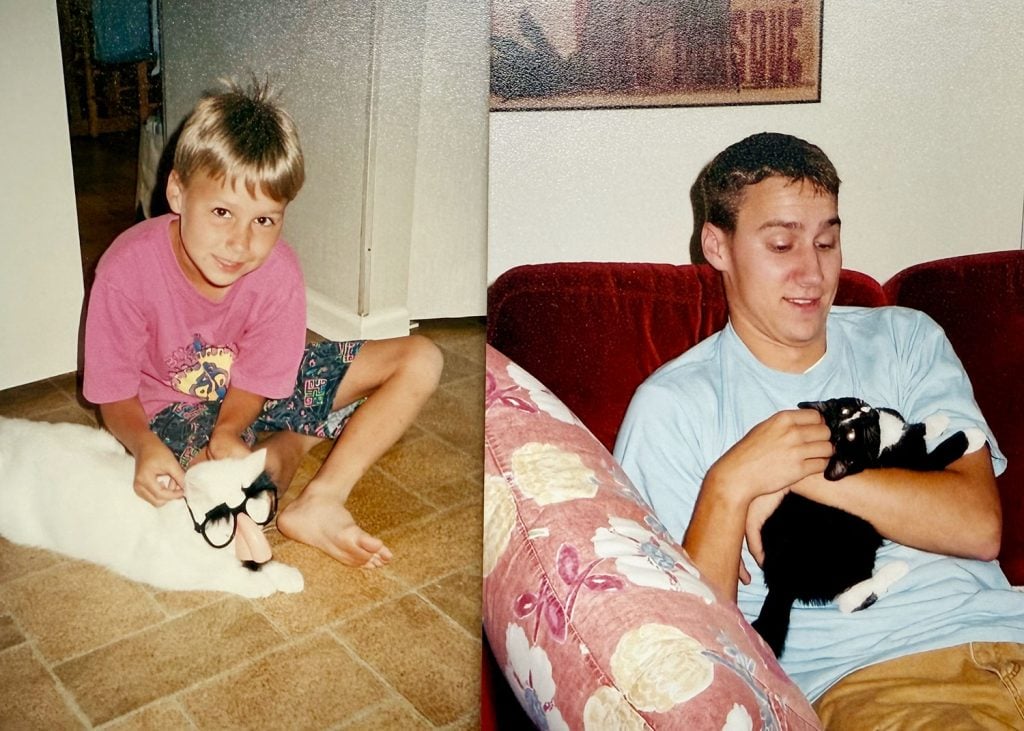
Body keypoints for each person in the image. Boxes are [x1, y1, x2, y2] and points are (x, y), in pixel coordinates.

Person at [614, 132, 1024, 727]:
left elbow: (979, 526)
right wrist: (730, 484)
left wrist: (805, 472)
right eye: (782, 244)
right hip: (875, 683)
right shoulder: (672, 407)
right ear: (717, 245)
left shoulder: (907, 340)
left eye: (827, 241)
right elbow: (693, 654)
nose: (813, 272)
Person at [83, 79, 443, 569]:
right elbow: (113, 392)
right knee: (223, 502)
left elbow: (259, 377)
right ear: (176, 191)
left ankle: (324, 498)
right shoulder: (126, 270)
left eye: (264, 221)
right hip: (172, 413)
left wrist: (232, 428)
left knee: (422, 357)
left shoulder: (279, 273)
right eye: (222, 212)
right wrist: (144, 445)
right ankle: (295, 441)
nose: (240, 243)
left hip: (255, 394)